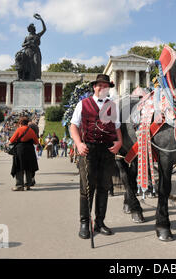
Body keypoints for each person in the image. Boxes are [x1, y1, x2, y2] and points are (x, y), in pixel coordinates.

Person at [70, 74, 123, 239]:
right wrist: (79, 143)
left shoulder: (112, 106)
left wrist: (120, 142)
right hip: (89, 150)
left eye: (105, 86)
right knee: (87, 188)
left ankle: (100, 222)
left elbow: (117, 127)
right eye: (99, 85)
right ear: (94, 87)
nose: (102, 88)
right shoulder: (83, 104)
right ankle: (85, 222)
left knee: (104, 187)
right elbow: (73, 126)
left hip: (107, 151)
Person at [9, 116, 39, 191]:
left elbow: (12, 140)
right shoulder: (31, 130)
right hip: (30, 150)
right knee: (29, 167)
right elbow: (36, 142)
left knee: (19, 167)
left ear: (21, 123)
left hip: (20, 150)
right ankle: (28, 184)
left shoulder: (19, 129)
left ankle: (19, 185)